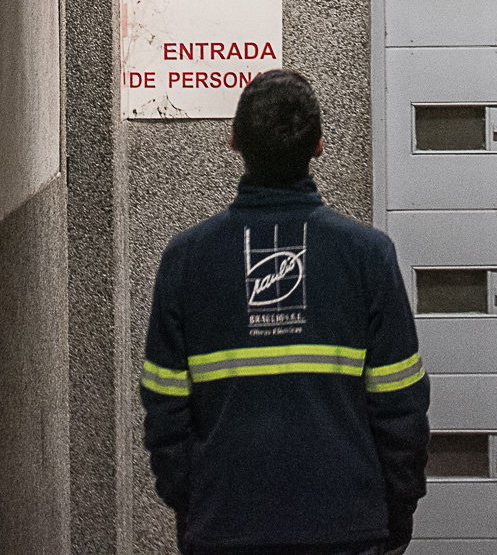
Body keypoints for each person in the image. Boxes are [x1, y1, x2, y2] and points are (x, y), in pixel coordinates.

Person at [141, 69, 430, 555]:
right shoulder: (368, 255)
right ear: (319, 146)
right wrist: (395, 508)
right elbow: (401, 403)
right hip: (347, 526)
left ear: (232, 140)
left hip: (224, 525)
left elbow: (164, 406)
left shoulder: (186, 259)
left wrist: (195, 500)